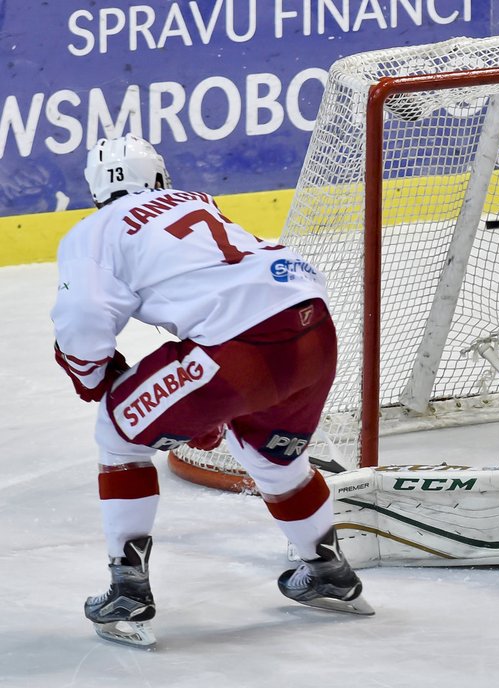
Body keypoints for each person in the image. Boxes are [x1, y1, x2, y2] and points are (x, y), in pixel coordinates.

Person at [51, 134, 372, 648]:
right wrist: (206, 406)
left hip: (239, 347)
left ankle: (126, 588)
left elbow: (82, 317)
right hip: (313, 327)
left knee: (117, 432)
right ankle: (326, 569)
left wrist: (94, 379)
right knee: (274, 458)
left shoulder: (94, 230)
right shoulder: (196, 200)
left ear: (95, 188)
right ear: (159, 177)